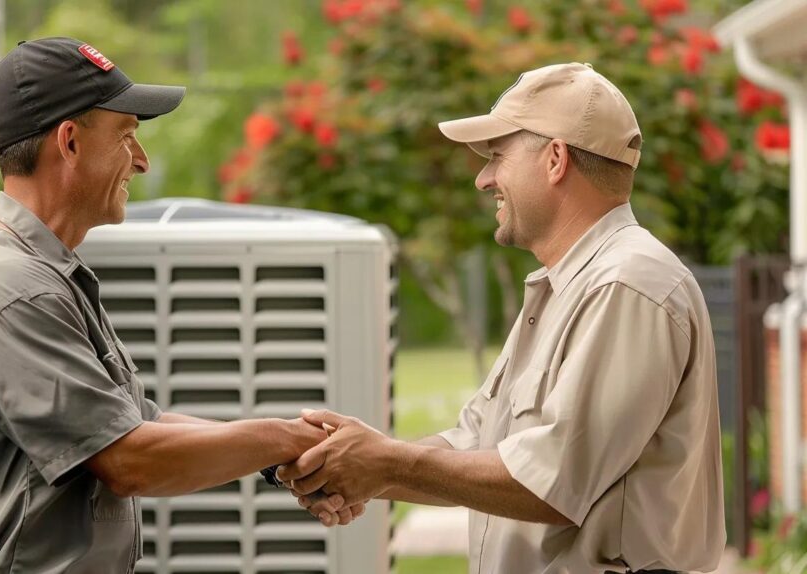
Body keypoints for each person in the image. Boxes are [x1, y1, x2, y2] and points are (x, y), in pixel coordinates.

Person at [0, 37, 353, 573]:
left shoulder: (38, 271)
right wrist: (285, 438)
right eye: (127, 137)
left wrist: (281, 453)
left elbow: (140, 423)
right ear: (69, 142)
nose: (140, 161)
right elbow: (128, 460)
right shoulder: (11, 290)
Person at [278, 63, 725, 573]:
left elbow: (550, 484)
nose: (482, 178)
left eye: (497, 156)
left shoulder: (627, 285)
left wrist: (384, 462)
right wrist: (354, 467)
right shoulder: (568, 287)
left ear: (555, 159)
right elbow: (475, 446)